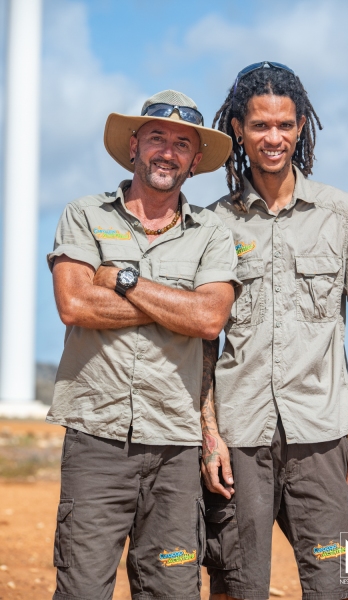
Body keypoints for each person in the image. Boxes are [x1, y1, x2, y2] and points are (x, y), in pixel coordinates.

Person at [200, 62, 348, 600]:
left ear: (302, 126)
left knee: (342, 583)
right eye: (261, 125)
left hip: (324, 433)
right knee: (236, 584)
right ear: (237, 128)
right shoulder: (212, 223)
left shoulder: (341, 212)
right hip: (240, 435)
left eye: (285, 125)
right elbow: (202, 340)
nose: (274, 138)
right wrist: (208, 432)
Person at [46, 89, 240, 600]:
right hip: (95, 442)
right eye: (157, 137)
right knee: (82, 588)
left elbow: (208, 318)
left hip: (175, 450)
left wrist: (124, 279)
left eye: (182, 143)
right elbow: (75, 306)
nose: (167, 151)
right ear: (133, 146)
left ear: (196, 160)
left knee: (172, 588)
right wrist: (175, 305)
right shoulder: (86, 215)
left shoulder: (213, 235)